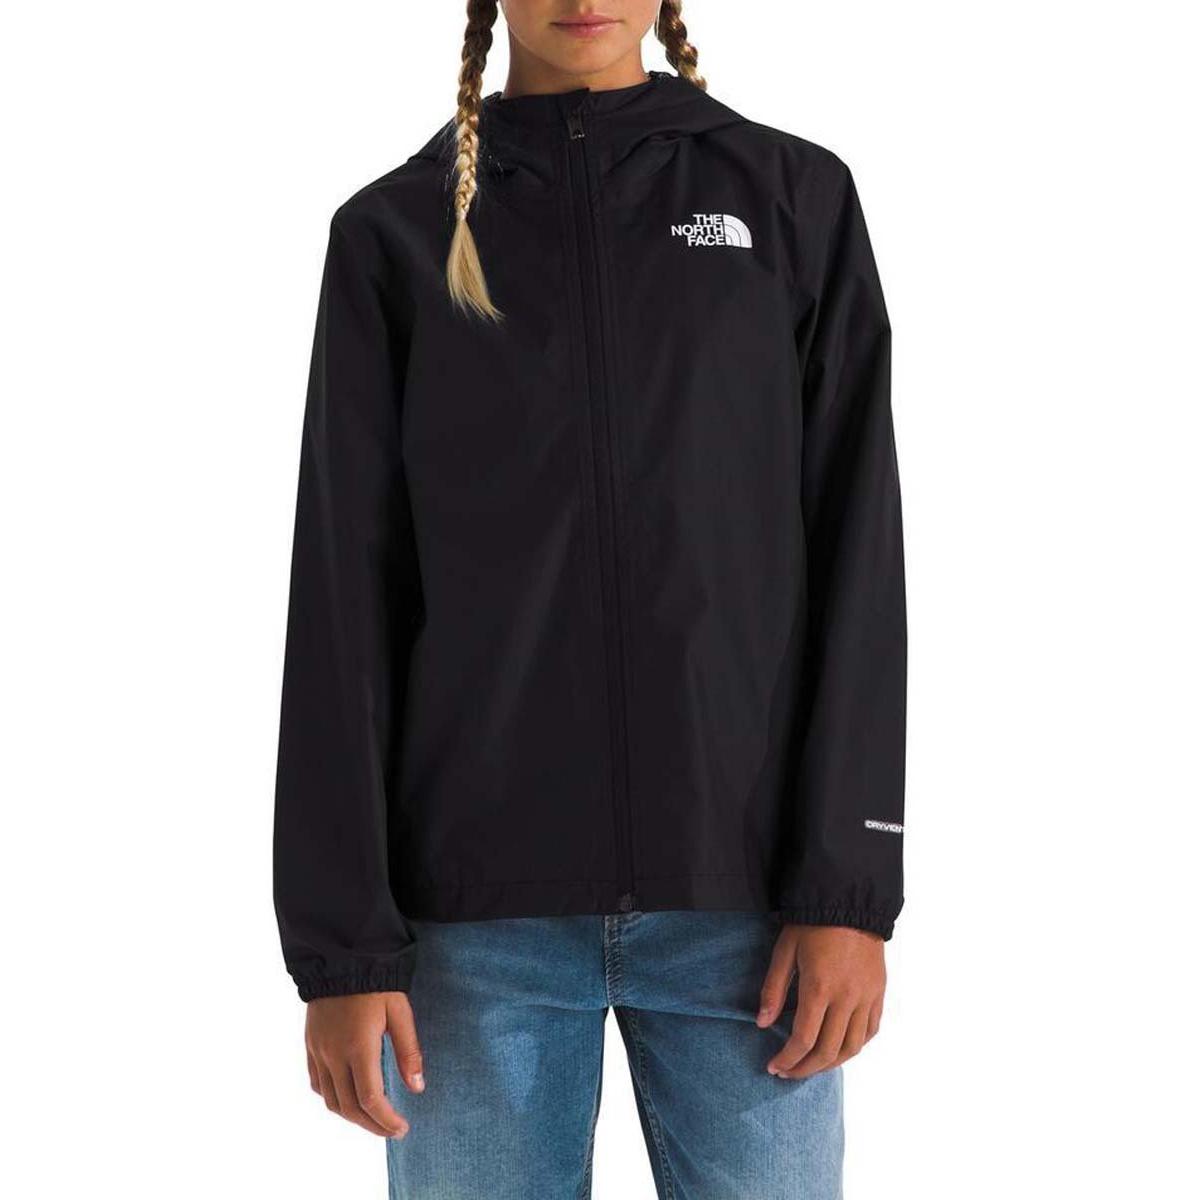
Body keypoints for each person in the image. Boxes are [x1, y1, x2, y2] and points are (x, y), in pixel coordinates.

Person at [273, 1, 906, 1195]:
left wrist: (849, 893)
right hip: (471, 933)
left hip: (752, 920)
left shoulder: (793, 201)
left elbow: (858, 555)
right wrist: (342, 948)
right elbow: (344, 600)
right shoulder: (394, 233)